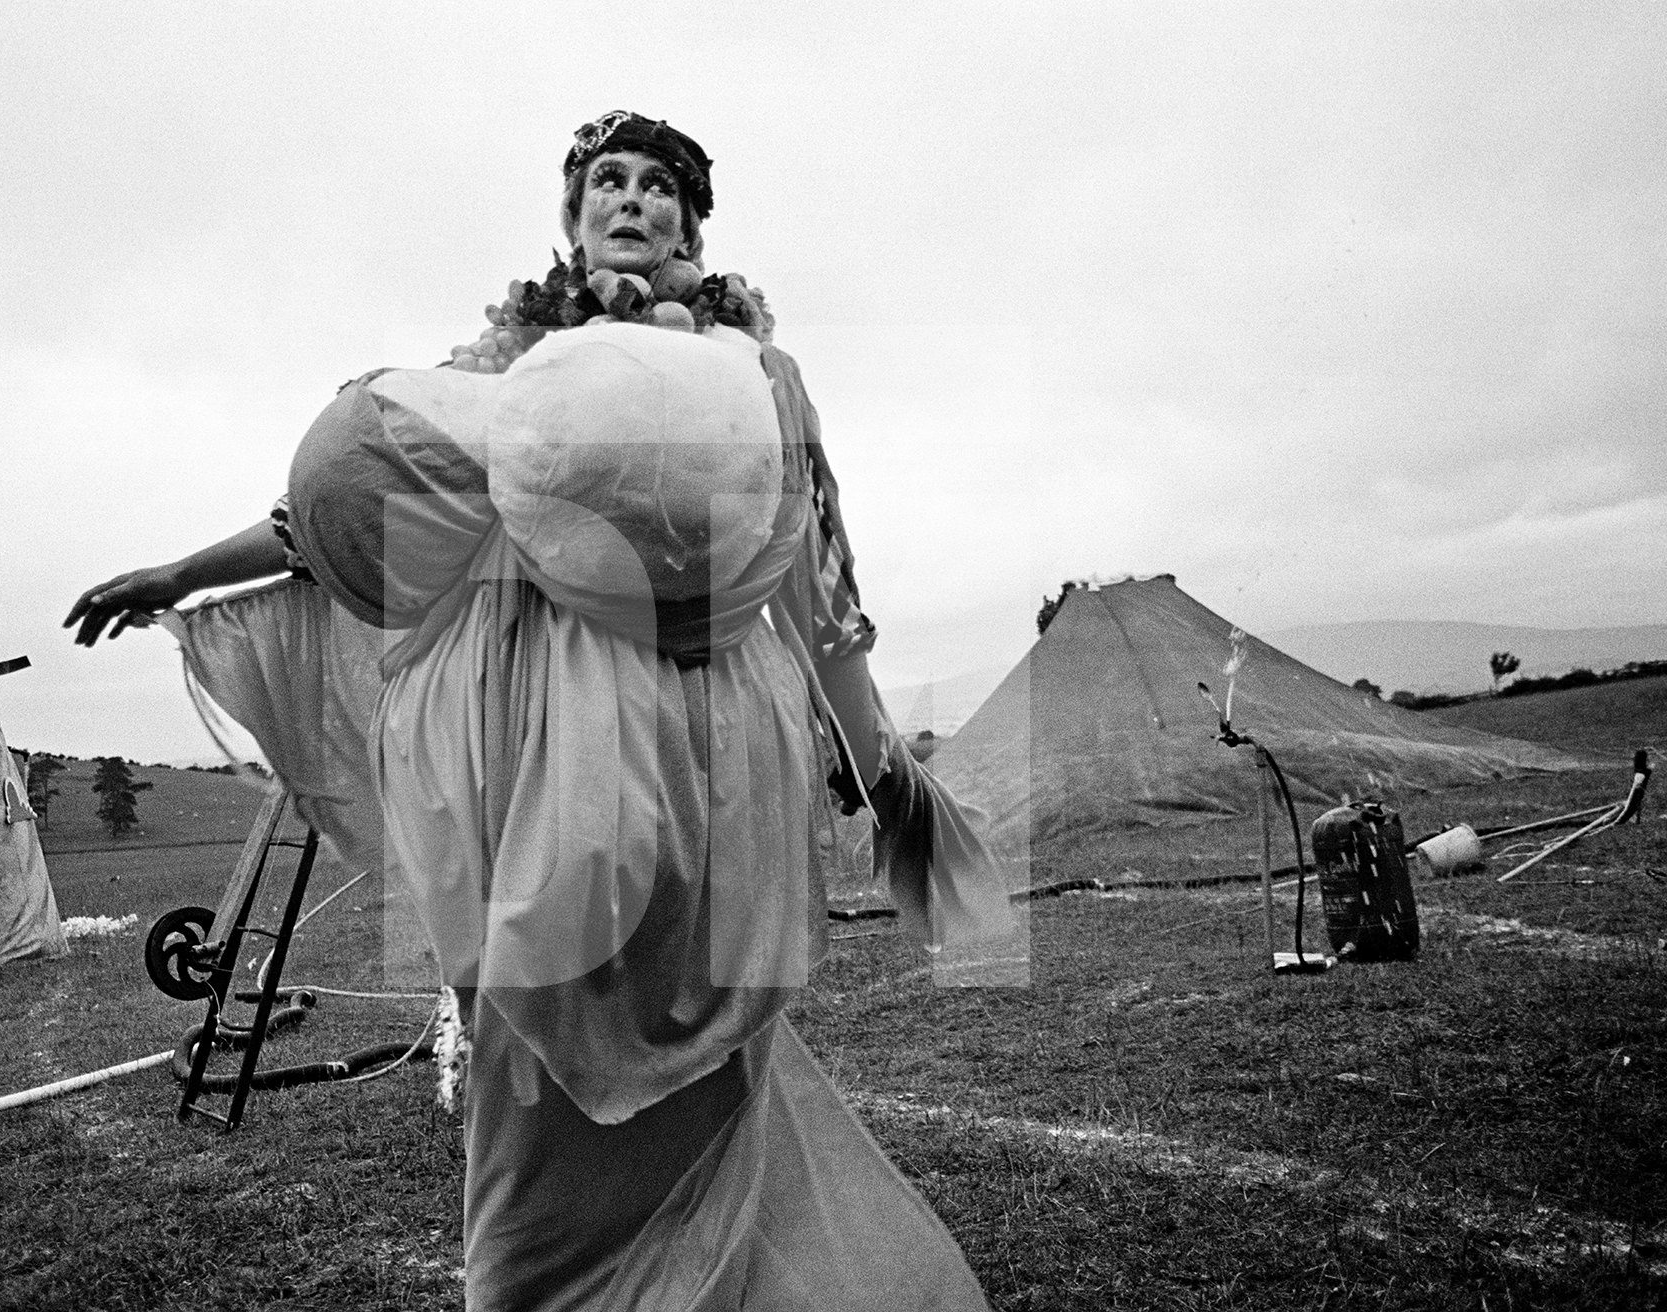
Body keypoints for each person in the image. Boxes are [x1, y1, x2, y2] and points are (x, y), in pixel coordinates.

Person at [67, 111, 1009, 1311]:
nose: (631, 201)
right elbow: (359, 509)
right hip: (533, 770)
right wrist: (181, 575)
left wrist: (888, 778)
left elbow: (822, 596)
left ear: (693, 219)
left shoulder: (756, 376)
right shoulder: (513, 369)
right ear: (569, 218)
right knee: (526, 1100)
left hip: (705, 768)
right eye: (605, 182)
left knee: (701, 1083)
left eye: (659, 185)